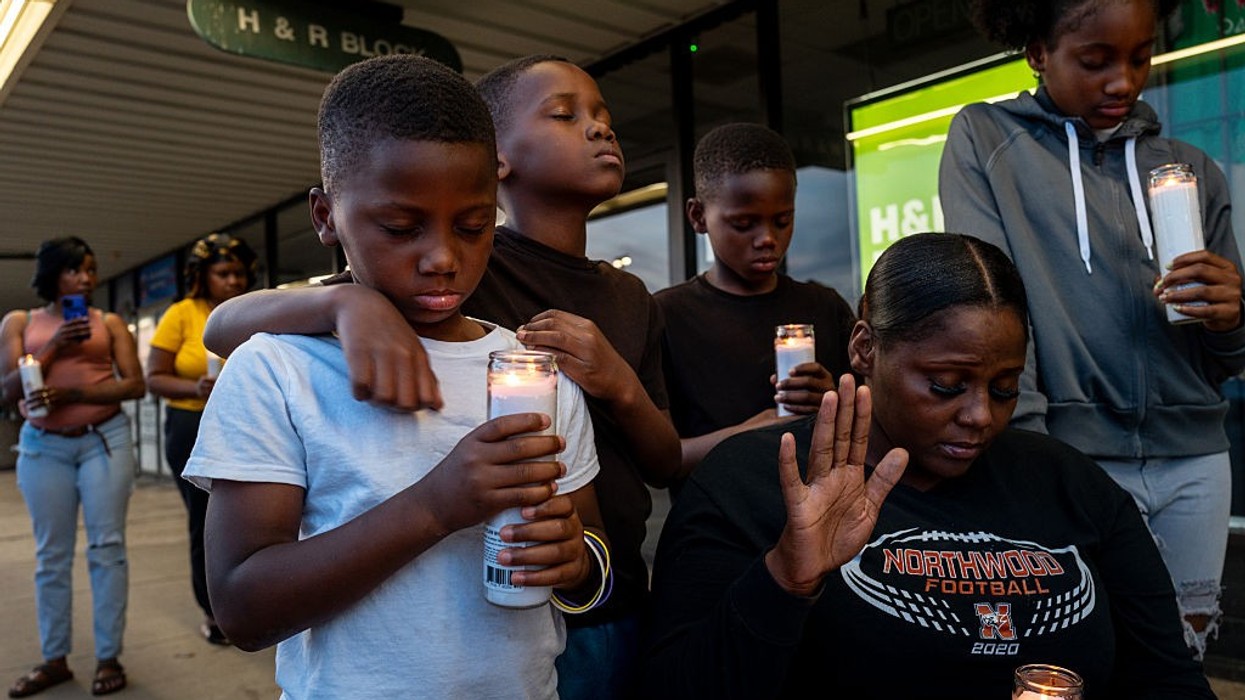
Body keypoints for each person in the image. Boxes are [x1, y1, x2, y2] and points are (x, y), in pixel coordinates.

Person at [203, 54, 681, 699]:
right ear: (325, 218)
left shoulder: (528, 369)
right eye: (400, 228)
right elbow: (242, 610)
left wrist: (572, 559)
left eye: (473, 226)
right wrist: (435, 506)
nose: (442, 258)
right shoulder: (278, 369)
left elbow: (587, 553)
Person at [643, 233, 1213, 699]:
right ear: (865, 348)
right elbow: (673, 688)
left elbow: (1167, 678)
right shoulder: (752, 482)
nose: (980, 416)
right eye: (946, 385)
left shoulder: (1069, 483)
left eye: (1005, 387)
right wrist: (786, 580)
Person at [939, 0, 1244, 658]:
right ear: (1036, 52)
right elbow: (988, 312)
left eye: (1138, 57)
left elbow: (1228, 358)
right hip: (1072, 455)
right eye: (1094, 60)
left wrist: (1232, 316)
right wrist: (1025, 452)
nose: (1123, 82)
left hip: (1194, 455)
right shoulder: (986, 142)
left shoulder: (1189, 169)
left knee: (1181, 657)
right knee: (1084, 657)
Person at [654, 122, 855, 475]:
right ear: (698, 216)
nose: (767, 238)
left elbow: (868, 429)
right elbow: (661, 462)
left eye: (782, 220)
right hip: (716, 520)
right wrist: (760, 430)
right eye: (744, 223)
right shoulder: (667, 316)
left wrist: (833, 401)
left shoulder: (824, 307)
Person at [1, 237, 145, 697]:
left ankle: (108, 656)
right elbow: (9, 388)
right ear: (52, 275)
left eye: (90, 269)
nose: (85, 278)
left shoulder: (110, 322)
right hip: (44, 447)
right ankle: (54, 659)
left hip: (103, 440)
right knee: (51, 556)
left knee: (107, 548)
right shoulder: (20, 322)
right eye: (74, 270)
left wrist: (75, 395)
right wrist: (55, 348)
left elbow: (135, 385)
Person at [145, 232, 256, 646]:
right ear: (201, 275)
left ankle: (255, 595)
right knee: (206, 519)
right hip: (191, 425)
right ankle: (213, 609)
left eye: (240, 274)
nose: (233, 282)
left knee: (254, 517)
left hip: (245, 421)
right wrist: (195, 389)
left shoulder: (251, 309)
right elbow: (153, 378)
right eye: (223, 273)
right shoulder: (181, 314)